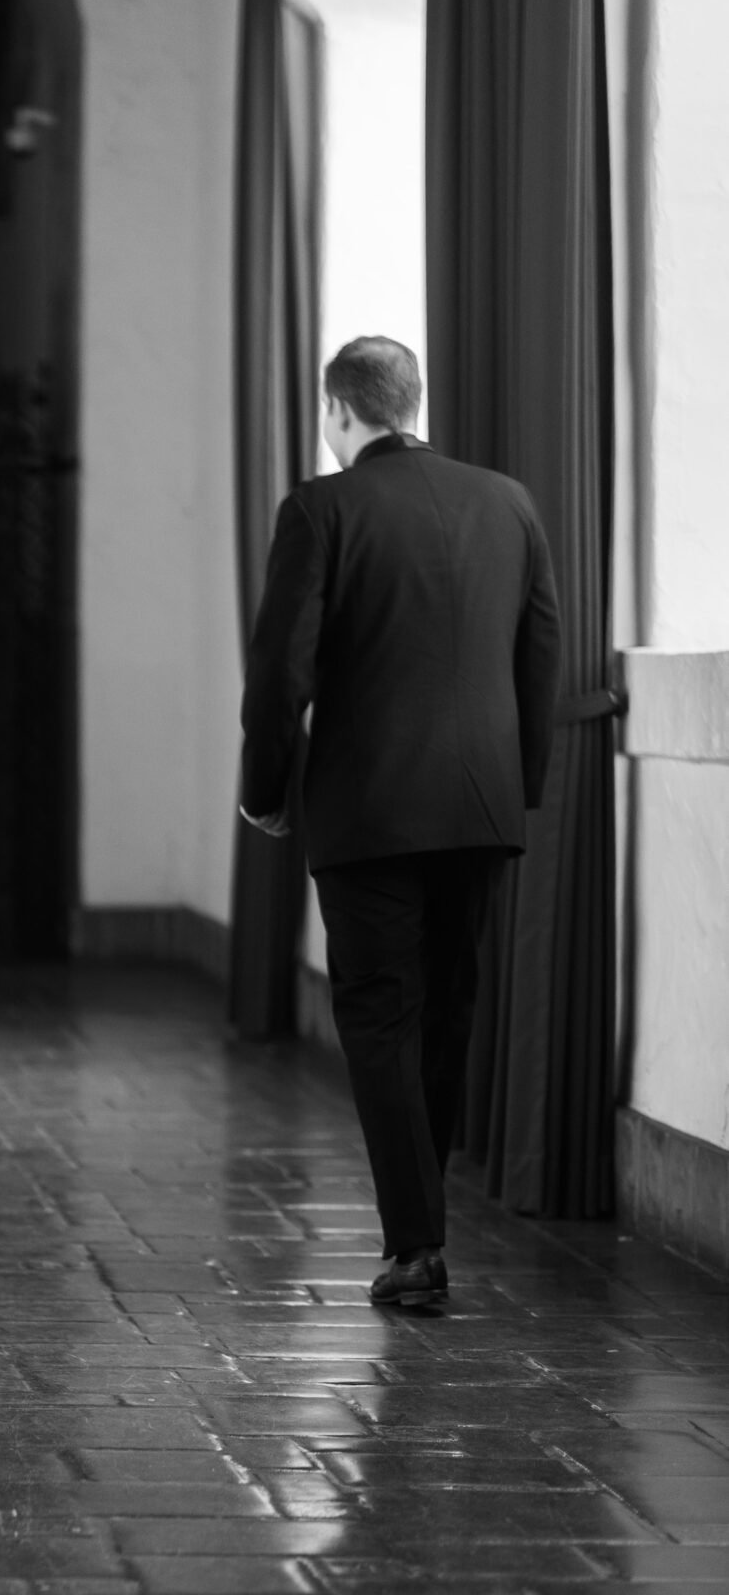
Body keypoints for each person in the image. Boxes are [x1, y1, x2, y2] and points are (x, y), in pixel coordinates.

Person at [239, 335, 560, 1312]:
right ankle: (427, 1225)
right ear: (411, 402)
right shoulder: (507, 502)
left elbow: (280, 672)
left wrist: (266, 788)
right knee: (449, 1006)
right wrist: (522, 783)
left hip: (369, 808)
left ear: (340, 410)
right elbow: (540, 649)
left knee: (379, 1013)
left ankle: (417, 1246)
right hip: (479, 807)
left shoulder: (321, 508)